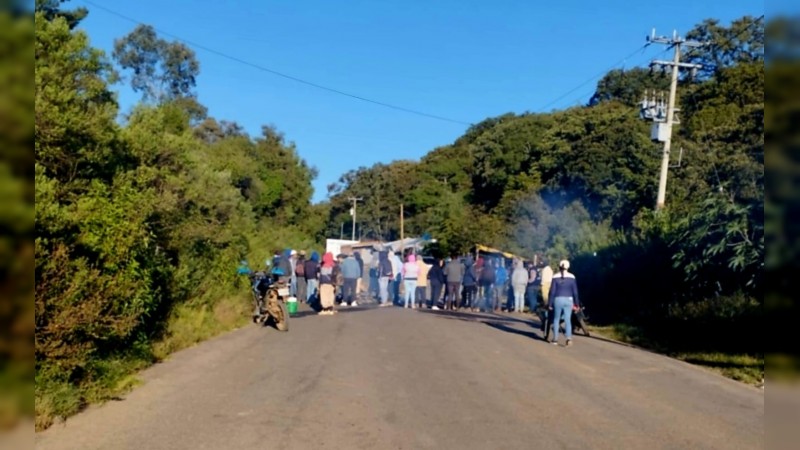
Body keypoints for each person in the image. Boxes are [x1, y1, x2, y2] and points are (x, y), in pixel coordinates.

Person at [548, 259, 580, 346]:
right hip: (569, 300)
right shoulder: (572, 277)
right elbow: (575, 292)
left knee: (556, 319)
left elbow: (552, 292)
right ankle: (568, 338)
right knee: (567, 319)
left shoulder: (555, 277)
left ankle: (555, 339)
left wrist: (550, 304)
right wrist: (577, 304)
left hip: (558, 299)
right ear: (568, 267)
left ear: (559, 266)